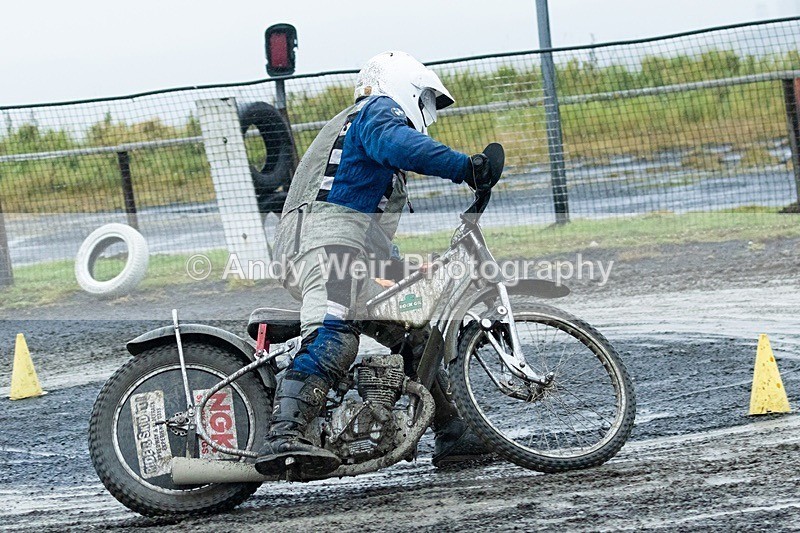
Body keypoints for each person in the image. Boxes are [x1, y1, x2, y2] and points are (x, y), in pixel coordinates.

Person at [256, 51, 494, 477]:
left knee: (419, 326)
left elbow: (373, 233)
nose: (427, 116)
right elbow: (399, 144)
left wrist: (406, 275)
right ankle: (285, 434)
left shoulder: (365, 123)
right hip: (326, 244)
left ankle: (456, 434)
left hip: (351, 249)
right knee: (335, 335)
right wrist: (464, 167)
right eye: (425, 102)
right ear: (404, 87)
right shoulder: (375, 111)